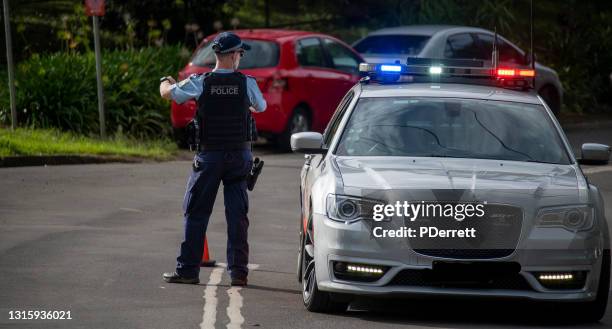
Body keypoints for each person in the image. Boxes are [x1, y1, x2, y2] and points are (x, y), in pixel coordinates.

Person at [159, 32, 266, 286]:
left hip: (209, 157)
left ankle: (187, 271)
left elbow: (168, 94)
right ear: (232, 55)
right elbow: (260, 106)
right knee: (237, 216)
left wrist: (165, 82)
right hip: (239, 157)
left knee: (196, 212)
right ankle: (239, 274)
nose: (241, 57)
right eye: (240, 53)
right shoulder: (247, 83)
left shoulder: (201, 82)